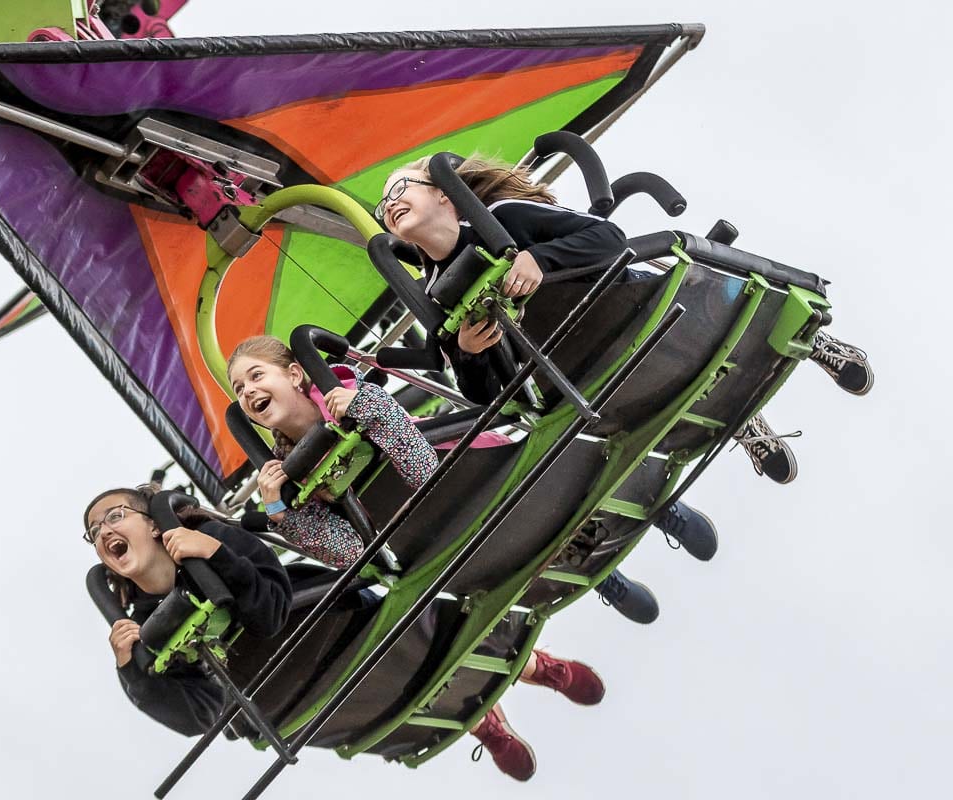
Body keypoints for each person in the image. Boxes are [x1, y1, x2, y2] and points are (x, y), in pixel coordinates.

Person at [227, 335, 609, 780]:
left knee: (462, 559)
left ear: (294, 374)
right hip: (414, 545)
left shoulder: (350, 393)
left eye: (257, 376)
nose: (248, 390)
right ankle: (501, 700)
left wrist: (360, 413)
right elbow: (349, 553)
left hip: (470, 485)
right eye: (238, 388)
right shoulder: (287, 474)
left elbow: (426, 475)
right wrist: (280, 509)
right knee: (411, 614)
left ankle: (555, 642)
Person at [376, 154, 874, 487]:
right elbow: (480, 389)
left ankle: (812, 343)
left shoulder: (506, 217)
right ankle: (739, 420)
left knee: (699, 292)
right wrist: (469, 348)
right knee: (642, 387)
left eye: (402, 188)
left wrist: (539, 260)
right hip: (577, 364)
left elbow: (608, 239)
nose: (391, 203)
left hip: (628, 303)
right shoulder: (432, 295)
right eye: (382, 204)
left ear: (444, 193)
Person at [84, 483, 292, 736]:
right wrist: (131, 671)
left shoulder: (213, 536)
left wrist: (216, 554)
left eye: (115, 516)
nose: (103, 531)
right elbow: (198, 718)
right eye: (94, 531)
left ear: (154, 525)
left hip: (306, 624)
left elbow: (271, 615)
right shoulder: (145, 631)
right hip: (264, 695)